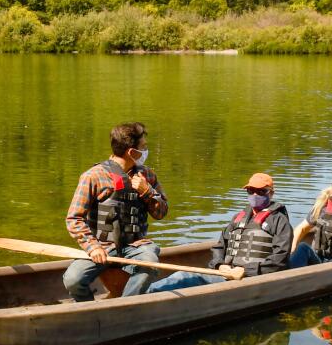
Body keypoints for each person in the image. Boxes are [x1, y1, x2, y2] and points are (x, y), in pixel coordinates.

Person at [64, 121, 169, 301]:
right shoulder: (93, 176)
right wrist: (93, 247)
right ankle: (90, 311)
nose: (145, 151)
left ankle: (125, 307)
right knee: (73, 279)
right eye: (143, 147)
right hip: (102, 246)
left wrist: (148, 192)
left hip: (136, 246)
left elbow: (161, 213)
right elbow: (74, 219)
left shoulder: (148, 175)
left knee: (150, 263)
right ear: (131, 152)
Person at [147, 172, 293, 294]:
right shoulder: (238, 218)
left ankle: (145, 296)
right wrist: (219, 265)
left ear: (271, 193)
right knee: (182, 278)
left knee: (185, 277)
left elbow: (280, 260)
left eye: (261, 191)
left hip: (252, 279)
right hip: (226, 274)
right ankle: (146, 295)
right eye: (250, 191)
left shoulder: (280, 221)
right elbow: (219, 247)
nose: (255, 195)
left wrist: (245, 271)